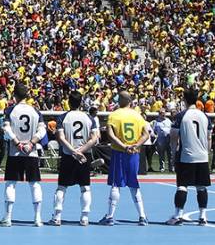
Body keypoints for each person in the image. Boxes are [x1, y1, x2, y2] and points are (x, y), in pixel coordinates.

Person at [100, 91, 150, 226]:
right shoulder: (138, 115)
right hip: (134, 153)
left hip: (119, 153)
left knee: (116, 184)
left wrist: (123, 145)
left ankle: (110, 216)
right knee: (134, 183)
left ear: (122, 100)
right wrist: (135, 145)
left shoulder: (114, 115)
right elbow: (146, 134)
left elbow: (110, 134)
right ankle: (142, 216)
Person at [0, 83, 46, 227]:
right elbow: (42, 131)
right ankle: (37, 218)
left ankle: (7, 218)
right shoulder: (36, 111)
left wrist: (17, 142)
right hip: (31, 152)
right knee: (35, 184)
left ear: (14, 95)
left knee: (11, 183)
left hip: (15, 152)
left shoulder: (10, 110)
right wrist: (31, 143)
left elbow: (6, 129)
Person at [51, 90, 99, 227]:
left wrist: (73, 151)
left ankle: (57, 217)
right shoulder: (89, 118)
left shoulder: (63, 117)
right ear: (81, 102)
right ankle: (84, 217)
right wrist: (81, 151)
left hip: (68, 155)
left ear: (68, 101)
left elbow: (60, 137)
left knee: (61, 187)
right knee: (85, 188)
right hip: (84, 156)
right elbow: (94, 138)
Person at [167, 88, 211, 226]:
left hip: (187, 155)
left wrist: (174, 154)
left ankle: (178, 215)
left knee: (182, 186)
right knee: (201, 187)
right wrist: (207, 152)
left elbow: (174, 137)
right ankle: (203, 216)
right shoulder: (205, 116)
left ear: (184, 100)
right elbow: (209, 137)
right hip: (202, 156)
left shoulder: (181, 116)